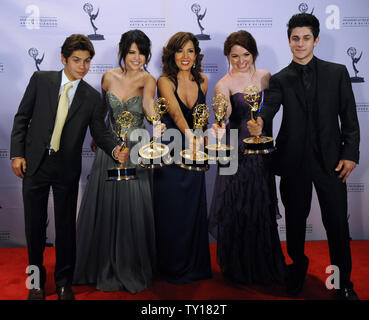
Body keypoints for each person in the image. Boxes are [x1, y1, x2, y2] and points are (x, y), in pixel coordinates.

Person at [248, 13, 360, 300]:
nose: (300, 43)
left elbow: (349, 117)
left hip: (332, 162)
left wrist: (350, 155)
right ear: (288, 41)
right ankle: (297, 267)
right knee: (295, 222)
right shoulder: (280, 78)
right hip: (293, 162)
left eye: (306, 38)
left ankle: (342, 281)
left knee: (337, 223)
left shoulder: (337, 72)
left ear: (316, 40)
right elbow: (269, 108)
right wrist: (259, 122)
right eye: (295, 38)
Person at [10, 34, 129, 300]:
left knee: (65, 228)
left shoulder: (90, 96)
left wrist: (114, 149)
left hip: (66, 168)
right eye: (76, 60)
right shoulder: (41, 81)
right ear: (64, 59)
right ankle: (35, 282)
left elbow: (100, 133)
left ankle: (64, 282)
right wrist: (17, 154)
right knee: (34, 227)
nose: (82, 66)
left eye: (87, 61)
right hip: (35, 165)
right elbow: (22, 118)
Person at [73, 30, 164, 294]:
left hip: (135, 147)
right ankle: (99, 264)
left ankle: (130, 264)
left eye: (142, 52)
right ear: (123, 52)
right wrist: (97, 137)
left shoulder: (148, 79)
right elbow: (102, 109)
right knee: (106, 202)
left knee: (132, 205)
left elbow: (148, 104)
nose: (137, 58)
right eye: (132, 52)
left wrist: (156, 123)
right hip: (110, 148)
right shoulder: (108, 77)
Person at [209, 30, 287, 286]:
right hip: (237, 153)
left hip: (262, 152)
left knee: (259, 203)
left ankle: (264, 262)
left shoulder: (266, 77)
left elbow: (273, 107)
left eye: (246, 54)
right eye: (234, 56)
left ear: (253, 53)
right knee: (238, 206)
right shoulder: (224, 83)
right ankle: (240, 266)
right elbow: (225, 112)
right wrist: (219, 124)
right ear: (227, 56)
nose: (241, 60)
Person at [153, 32, 212, 284]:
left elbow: (202, 117)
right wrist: (193, 137)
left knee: (192, 209)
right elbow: (176, 115)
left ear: (196, 55)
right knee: (171, 211)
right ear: (172, 55)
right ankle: (169, 267)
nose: (185, 57)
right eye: (180, 51)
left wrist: (207, 136)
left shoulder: (204, 81)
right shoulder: (164, 80)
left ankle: (193, 266)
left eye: (190, 51)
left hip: (195, 150)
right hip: (171, 151)